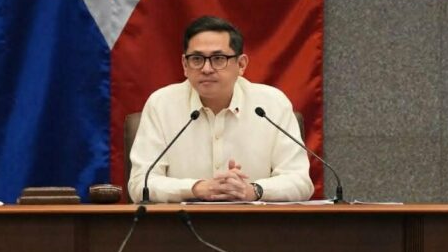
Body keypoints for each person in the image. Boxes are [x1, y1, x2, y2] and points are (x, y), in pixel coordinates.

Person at [127, 16, 313, 203]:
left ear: (241, 65)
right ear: (185, 65)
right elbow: (140, 183)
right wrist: (197, 188)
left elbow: (300, 181)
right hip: (182, 220)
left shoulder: (272, 104)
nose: (207, 69)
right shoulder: (161, 104)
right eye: (197, 59)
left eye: (218, 59)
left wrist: (253, 190)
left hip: (253, 220)